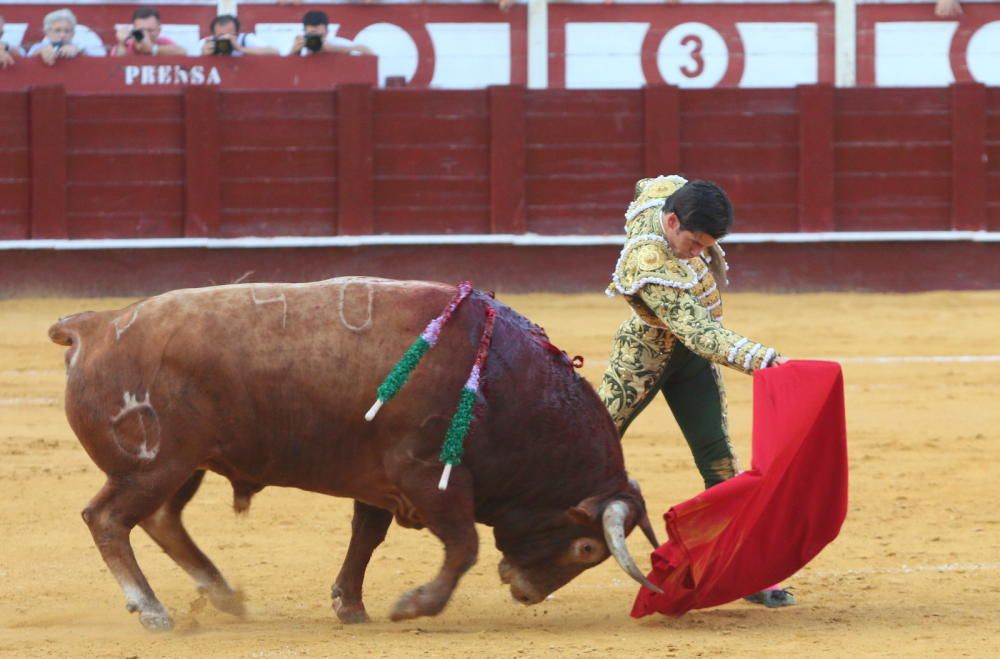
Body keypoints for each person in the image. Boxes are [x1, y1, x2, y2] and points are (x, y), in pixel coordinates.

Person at [598, 175, 793, 608]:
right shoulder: (650, 261)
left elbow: (653, 181)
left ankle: (745, 573)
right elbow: (700, 334)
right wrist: (761, 358)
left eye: (707, 245)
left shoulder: (667, 195)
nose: (699, 253)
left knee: (719, 461)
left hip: (689, 365)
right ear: (670, 222)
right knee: (588, 446)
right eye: (694, 243)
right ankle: (533, 539)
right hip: (644, 356)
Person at [26, 9, 105, 65]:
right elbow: (27, 61)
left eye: (67, 31)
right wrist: (40, 52)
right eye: (57, 30)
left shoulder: (78, 47)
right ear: (47, 33)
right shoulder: (39, 47)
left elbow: (97, 62)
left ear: (73, 34)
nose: (63, 35)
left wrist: (78, 52)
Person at [289, 10, 373, 57]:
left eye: (318, 35)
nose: (315, 38)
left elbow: (369, 53)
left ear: (327, 32)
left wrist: (334, 48)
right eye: (311, 34)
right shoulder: (300, 46)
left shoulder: (336, 43)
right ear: (305, 33)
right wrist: (293, 52)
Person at [110, 7, 187, 57]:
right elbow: (115, 66)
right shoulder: (127, 45)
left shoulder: (163, 42)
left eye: (150, 30)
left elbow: (183, 52)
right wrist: (122, 43)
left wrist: (152, 49)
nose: (145, 34)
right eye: (141, 30)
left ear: (158, 30)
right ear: (134, 31)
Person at [198, 14, 278, 57]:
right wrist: (203, 55)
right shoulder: (207, 42)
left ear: (238, 33)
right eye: (221, 35)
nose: (226, 38)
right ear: (214, 35)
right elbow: (189, 60)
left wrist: (240, 48)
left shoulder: (245, 39)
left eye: (229, 35)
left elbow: (274, 52)